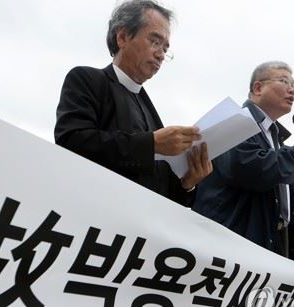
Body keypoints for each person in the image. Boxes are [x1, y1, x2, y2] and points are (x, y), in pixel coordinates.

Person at [55, 0, 212, 206]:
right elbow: (71, 141)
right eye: (155, 42)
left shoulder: (150, 108)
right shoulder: (86, 79)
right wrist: (152, 144)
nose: (161, 55)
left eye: (165, 48)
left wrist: (187, 184)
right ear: (122, 37)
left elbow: (158, 187)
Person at [192, 61, 294, 257]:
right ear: (258, 88)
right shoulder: (234, 120)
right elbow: (251, 171)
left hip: (268, 248)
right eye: (284, 81)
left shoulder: (275, 139)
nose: (291, 89)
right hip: (230, 245)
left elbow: (275, 208)